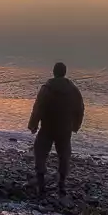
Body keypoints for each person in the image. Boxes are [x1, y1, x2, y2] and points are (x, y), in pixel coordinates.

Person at [28, 62, 85, 199]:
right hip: (64, 129)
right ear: (64, 73)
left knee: (40, 154)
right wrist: (76, 125)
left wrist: (33, 124)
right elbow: (80, 109)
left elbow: (38, 108)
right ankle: (61, 185)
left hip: (47, 127)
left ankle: (41, 185)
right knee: (64, 156)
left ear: (54, 72)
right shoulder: (73, 90)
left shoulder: (46, 88)